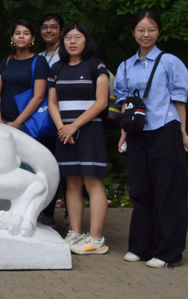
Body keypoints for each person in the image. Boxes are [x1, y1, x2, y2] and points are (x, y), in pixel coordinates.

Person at [113, 10, 188, 268]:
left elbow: (179, 100)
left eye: (151, 29)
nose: (146, 34)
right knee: (140, 191)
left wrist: (182, 133)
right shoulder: (125, 66)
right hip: (137, 133)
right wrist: (123, 135)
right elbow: (126, 105)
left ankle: (168, 253)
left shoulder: (170, 62)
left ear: (158, 32)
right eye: (141, 30)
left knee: (168, 191)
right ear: (133, 32)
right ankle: (140, 246)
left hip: (165, 128)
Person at [47, 23, 109, 255]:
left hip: (89, 130)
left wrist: (75, 125)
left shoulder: (96, 66)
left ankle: (96, 238)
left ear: (86, 40)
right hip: (65, 132)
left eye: (78, 37)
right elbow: (52, 102)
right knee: (71, 183)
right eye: (68, 37)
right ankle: (75, 232)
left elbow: (101, 102)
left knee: (92, 182)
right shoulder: (58, 69)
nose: (72, 41)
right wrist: (63, 127)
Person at [0, 20, 49, 129]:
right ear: (12, 38)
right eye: (17, 33)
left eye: (26, 33)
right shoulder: (7, 61)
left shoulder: (39, 61)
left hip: (27, 123)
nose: (21, 36)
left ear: (32, 39)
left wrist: (17, 123)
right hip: (2, 121)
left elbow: (39, 97)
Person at [37, 13, 64, 226]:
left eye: (53, 27)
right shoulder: (38, 57)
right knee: (43, 165)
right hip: (41, 119)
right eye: (45, 27)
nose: (48, 30)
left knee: (63, 169)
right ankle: (45, 212)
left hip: (64, 119)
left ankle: (68, 218)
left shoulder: (67, 55)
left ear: (61, 31)